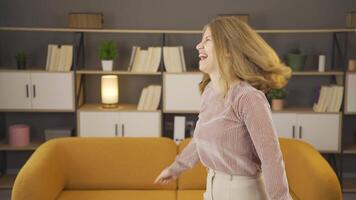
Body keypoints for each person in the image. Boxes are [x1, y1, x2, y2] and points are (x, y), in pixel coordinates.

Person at [154, 16, 292, 200]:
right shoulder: (209, 92)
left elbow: (271, 158)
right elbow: (201, 139)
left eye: (207, 40)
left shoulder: (248, 98)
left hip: (243, 193)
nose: (198, 46)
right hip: (212, 188)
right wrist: (176, 168)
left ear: (228, 49)